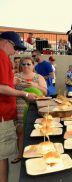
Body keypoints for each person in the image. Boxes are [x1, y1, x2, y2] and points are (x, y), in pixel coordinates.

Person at [0, 31, 36, 182]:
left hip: (5, 114)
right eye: (16, 48)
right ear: (6, 42)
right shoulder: (2, 56)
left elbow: (6, 84)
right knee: (2, 157)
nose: (16, 52)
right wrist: (24, 94)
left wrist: (17, 84)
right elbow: (1, 88)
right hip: (3, 115)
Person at [12, 56, 47, 164]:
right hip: (20, 107)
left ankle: (34, 154)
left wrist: (35, 85)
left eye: (28, 64)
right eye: (23, 64)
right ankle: (20, 154)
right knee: (20, 131)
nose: (26, 66)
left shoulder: (38, 77)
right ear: (20, 66)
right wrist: (14, 84)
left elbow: (45, 92)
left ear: (33, 65)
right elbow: (8, 89)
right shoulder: (16, 76)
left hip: (35, 108)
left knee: (34, 130)